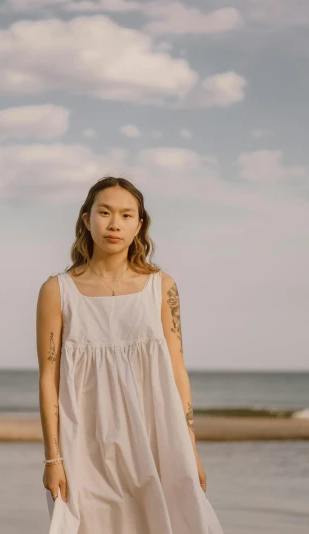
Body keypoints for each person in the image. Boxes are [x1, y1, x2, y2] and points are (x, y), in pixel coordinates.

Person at [36, 175, 224, 533]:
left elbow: (177, 371)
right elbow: (49, 378)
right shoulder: (57, 290)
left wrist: (190, 452)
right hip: (85, 444)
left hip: (157, 435)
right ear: (86, 218)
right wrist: (53, 458)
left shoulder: (161, 286)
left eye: (126, 215)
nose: (114, 224)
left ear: (139, 225)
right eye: (104, 212)